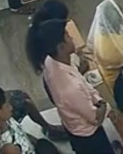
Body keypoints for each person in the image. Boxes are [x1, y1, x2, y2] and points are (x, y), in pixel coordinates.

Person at [33, 19, 114, 153]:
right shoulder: (70, 88)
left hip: (71, 123)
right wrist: (105, 105)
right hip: (88, 136)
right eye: (67, 35)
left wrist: (97, 99)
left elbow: (80, 78)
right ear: (61, 47)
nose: (71, 37)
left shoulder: (50, 61)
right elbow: (95, 118)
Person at [0, 83, 61, 154]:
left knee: (45, 145)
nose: (11, 108)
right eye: (7, 106)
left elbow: (20, 134)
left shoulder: (4, 119)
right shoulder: (8, 148)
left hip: (30, 148)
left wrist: (37, 143)